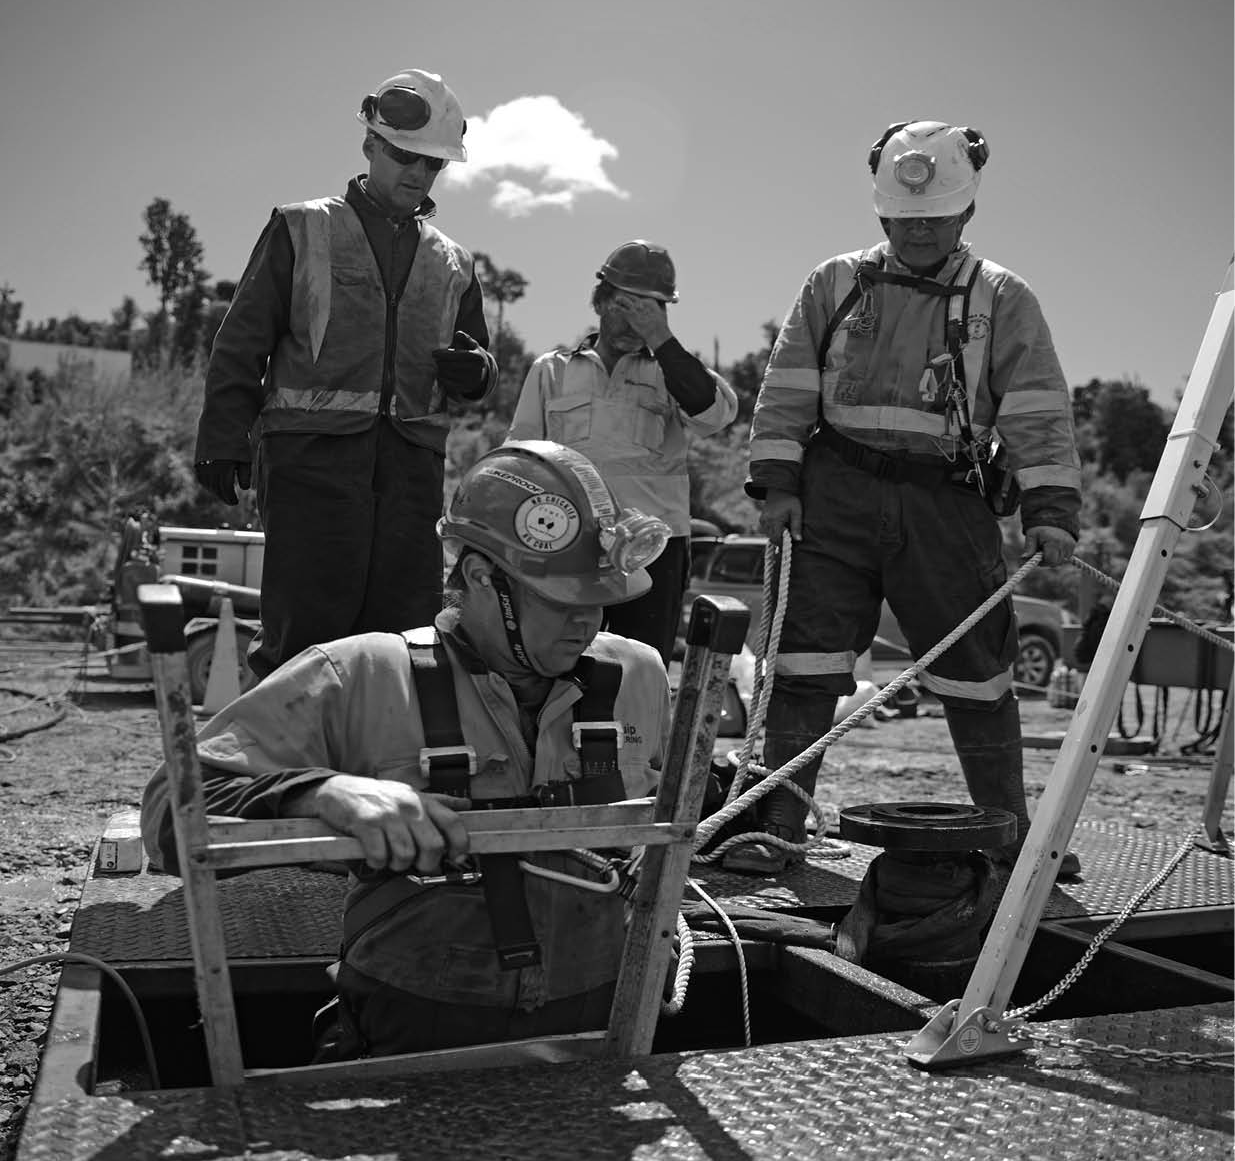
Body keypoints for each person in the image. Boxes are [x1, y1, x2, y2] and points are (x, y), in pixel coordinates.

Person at [141, 441, 674, 1058]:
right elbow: (170, 814)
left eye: (598, 597)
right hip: (409, 1033)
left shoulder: (638, 676)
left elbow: (673, 804)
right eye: (561, 600)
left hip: (598, 1030)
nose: (587, 621)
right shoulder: (360, 674)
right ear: (479, 577)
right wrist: (323, 793)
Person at [722, 120, 1082, 879]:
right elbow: (785, 387)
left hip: (945, 503)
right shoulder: (832, 283)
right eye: (904, 217)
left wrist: (1048, 510)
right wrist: (777, 485)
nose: (918, 230)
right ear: (880, 212)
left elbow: (1036, 409)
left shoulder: (1000, 298)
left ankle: (1008, 841)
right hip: (832, 497)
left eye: (935, 217)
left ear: (967, 213)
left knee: (976, 674)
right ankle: (778, 828)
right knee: (803, 665)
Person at [193, 69, 497, 680]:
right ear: (369, 145)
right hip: (311, 461)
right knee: (305, 628)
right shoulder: (303, 226)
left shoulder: (454, 262)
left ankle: (378, 769)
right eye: (404, 156)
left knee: (401, 635)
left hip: (411, 469)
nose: (417, 173)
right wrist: (223, 436)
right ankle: (286, 769)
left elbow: (481, 369)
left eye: (432, 165)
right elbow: (242, 342)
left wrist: (476, 373)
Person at [506, 242, 738, 663]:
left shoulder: (672, 370)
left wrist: (662, 340)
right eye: (626, 305)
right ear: (600, 301)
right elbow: (521, 458)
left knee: (641, 663)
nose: (636, 320)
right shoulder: (552, 370)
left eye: (651, 309)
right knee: (559, 662)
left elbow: (715, 415)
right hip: (569, 542)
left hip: (654, 551)